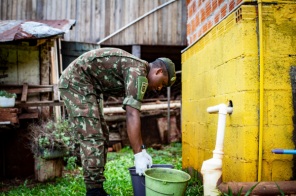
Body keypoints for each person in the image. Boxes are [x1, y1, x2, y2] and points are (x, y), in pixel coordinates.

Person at [58, 47, 176, 196]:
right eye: (162, 83)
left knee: (102, 134)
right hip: (76, 81)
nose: (159, 88)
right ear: (158, 72)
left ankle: (97, 188)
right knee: (93, 136)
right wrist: (138, 155)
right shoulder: (137, 71)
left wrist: (143, 149)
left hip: (90, 86)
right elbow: (132, 113)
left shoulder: (139, 72)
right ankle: (94, 191)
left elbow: (133, 112)